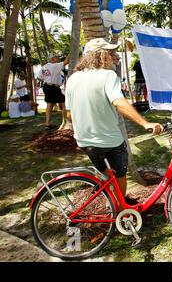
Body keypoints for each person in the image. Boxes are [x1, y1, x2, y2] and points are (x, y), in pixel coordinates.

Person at [65, 38, 163, 207]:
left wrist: (87, 120)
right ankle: (120, 208)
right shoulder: (108, 75)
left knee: (106, 174)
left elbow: (69, 114)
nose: (113, 56)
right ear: (102, 55)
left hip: (84, 140)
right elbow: (119, 102)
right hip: (109, 140)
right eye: (110, 53)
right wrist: (145, 123)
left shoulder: (73, 78)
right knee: (120, 174)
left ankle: (110, 199)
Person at [37, 54, 68, 130]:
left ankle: (47, 124)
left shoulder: (45, 67)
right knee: (64, 103)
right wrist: (69, 54)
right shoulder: (54, 65)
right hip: (53, 87)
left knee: (49, 105)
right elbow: (66, 62)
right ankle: (65, 122)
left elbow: (39, 77)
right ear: (53, 59)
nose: (58, 60)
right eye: (57, 58)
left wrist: (48, 79)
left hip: (47, 86)